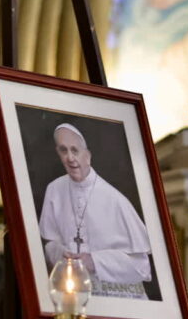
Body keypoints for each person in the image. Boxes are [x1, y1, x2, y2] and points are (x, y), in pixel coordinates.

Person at [38, 123, 153, 299]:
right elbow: (49, 242)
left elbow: (142, 268)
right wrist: (60, 254)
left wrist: (95, 261)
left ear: (88, 156)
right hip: (72, 297)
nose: (70, 158)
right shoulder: (54, 189)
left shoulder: (115, 200)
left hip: (116, 302)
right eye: (63, 150)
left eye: (75, 150)